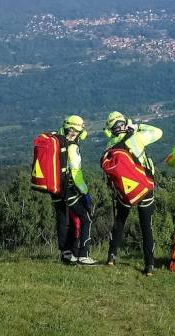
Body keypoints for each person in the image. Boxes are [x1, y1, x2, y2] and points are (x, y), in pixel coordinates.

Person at [103, 111, 162, 275]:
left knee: (120, 221)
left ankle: (111, 256)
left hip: (124, 192)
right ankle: (149, 265)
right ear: (124, 122)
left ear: (110, 129)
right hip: (144, 188)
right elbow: (158, 132)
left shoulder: (110, 145)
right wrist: (137, 126)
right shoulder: (137, 138)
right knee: (146, 227)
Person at [53, 114, 97, 265]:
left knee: (64, 219)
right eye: (79, 131)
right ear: (73, 131)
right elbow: (76, 175)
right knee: (86, 218)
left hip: (55, 188)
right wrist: (85, 193)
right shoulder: (72, 147)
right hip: (68, 189)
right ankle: (83, 255)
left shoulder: (57, 139)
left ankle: (67, 254)